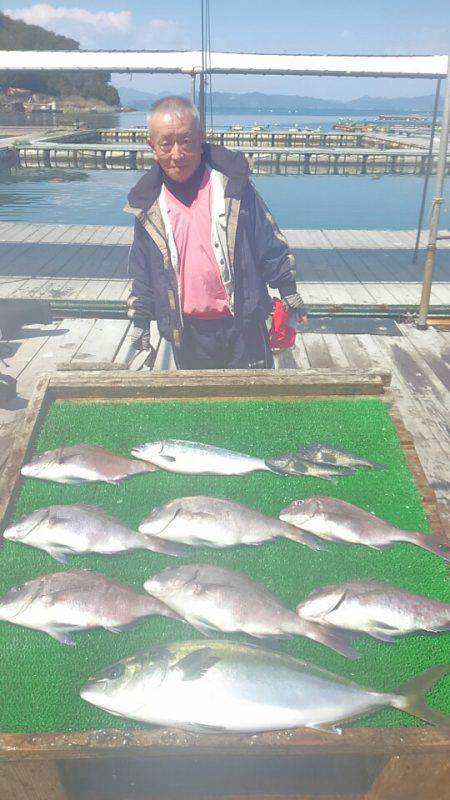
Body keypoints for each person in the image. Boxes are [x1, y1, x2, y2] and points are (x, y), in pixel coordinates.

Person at [125, 96, 307, 369]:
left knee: (253, 403)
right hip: (186, 331)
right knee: (199, 405)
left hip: (242, 326)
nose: (177, 154)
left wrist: (289, 290)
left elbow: (268, 243)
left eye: (186, 141)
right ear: (152, 147)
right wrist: (141, 321)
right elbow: (143, 270)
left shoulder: (233, 188)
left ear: (201, 139)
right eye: (166, 143)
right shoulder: (147, 204)